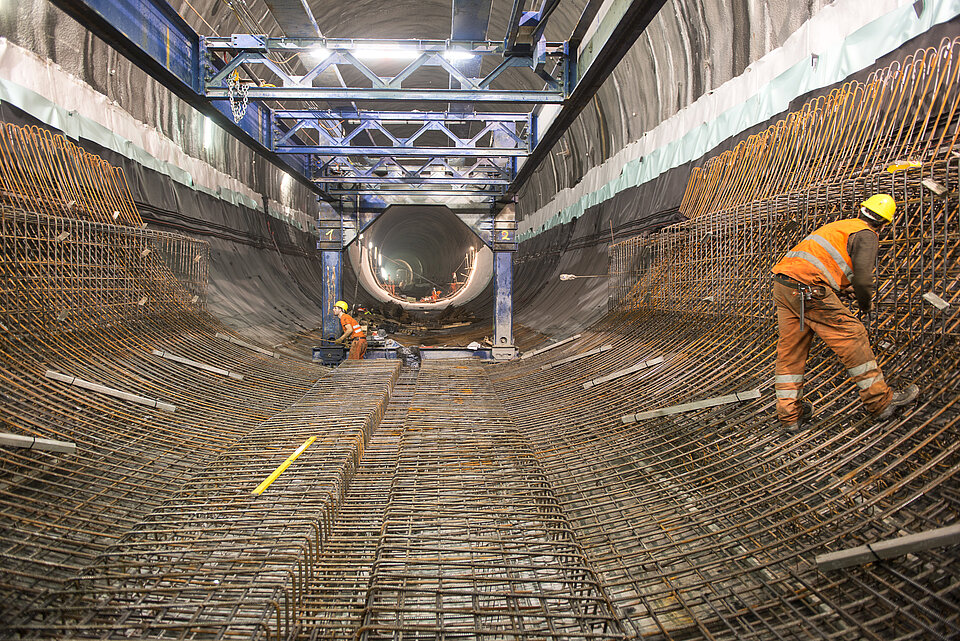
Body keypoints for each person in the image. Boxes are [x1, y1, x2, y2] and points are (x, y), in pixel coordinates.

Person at [771, 194, 918, 433]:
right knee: (853, 335)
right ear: (883, 224)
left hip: (784, 286)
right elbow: (863, 279)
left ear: (862, 211)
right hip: (808, 290)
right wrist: (865, 303)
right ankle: (880, 402)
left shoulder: (841, 227)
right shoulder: (867, 235)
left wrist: (840, 288)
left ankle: (790, 416)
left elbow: (820, 263)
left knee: (791, 352)